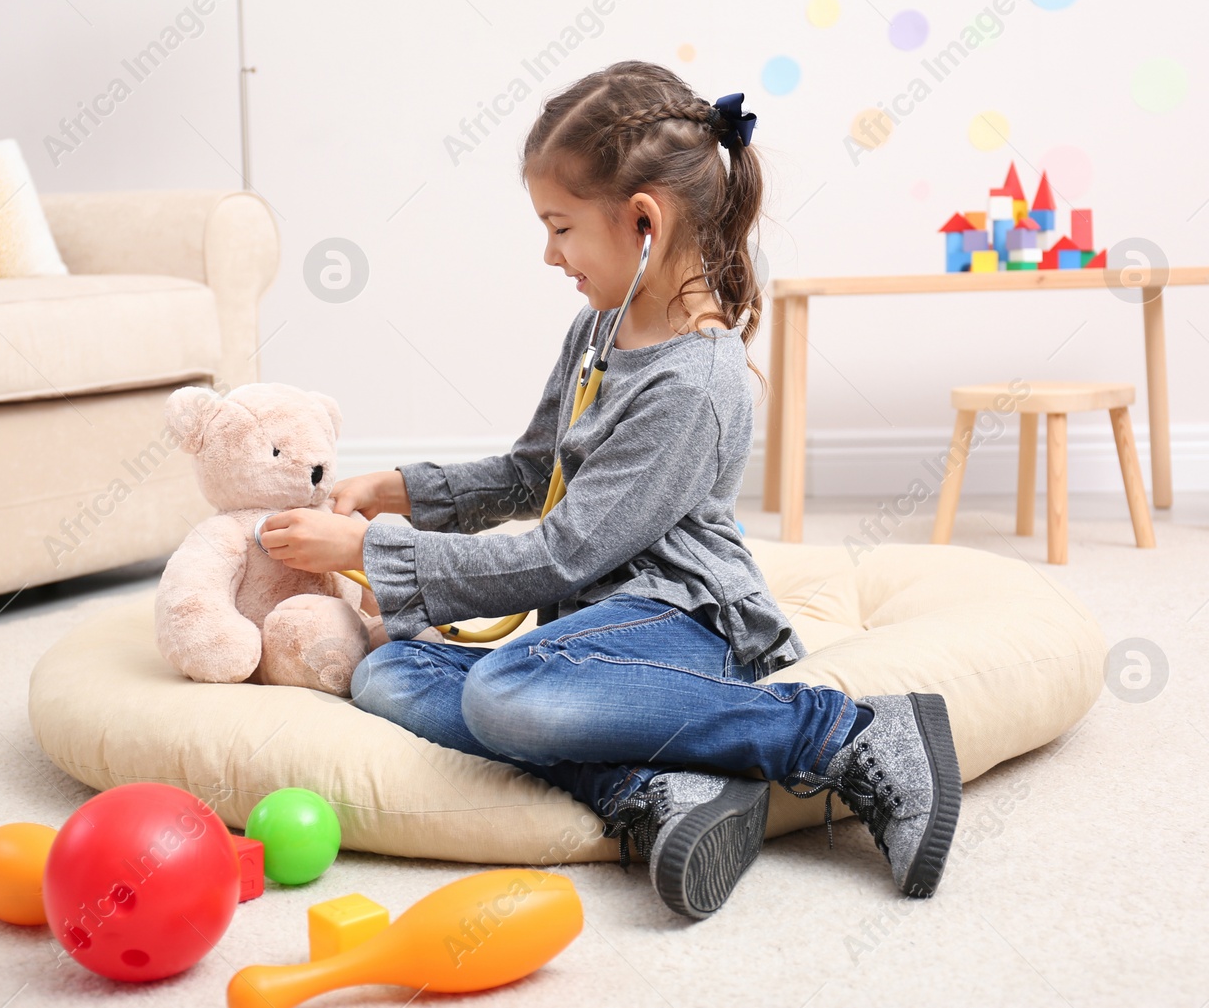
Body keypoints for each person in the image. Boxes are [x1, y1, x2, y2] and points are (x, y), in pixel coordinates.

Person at [255, 60, 961, 921]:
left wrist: (369, 552)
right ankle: (650, 783)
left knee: (505, 690)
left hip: (689, 625)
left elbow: (562, 552)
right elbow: (531, 472)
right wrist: (399, 490)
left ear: (642, 224)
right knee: (389, 671)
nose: (548, 253)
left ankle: (842, 736)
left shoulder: (696, 383)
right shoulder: (598, 328)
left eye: (560, 227)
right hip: (590, 637)